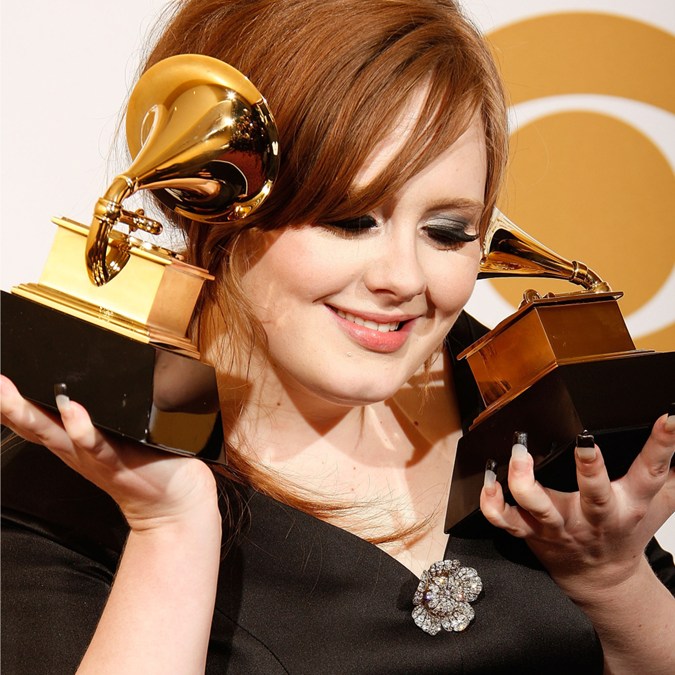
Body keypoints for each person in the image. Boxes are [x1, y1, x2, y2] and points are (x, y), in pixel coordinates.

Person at [2, 0, 673, 673]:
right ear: (218, 204)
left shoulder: (522, 393)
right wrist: (170, 529)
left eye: (446, 232)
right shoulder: (66, 475)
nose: (402, 278)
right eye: (351, 221)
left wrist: (614, 581)